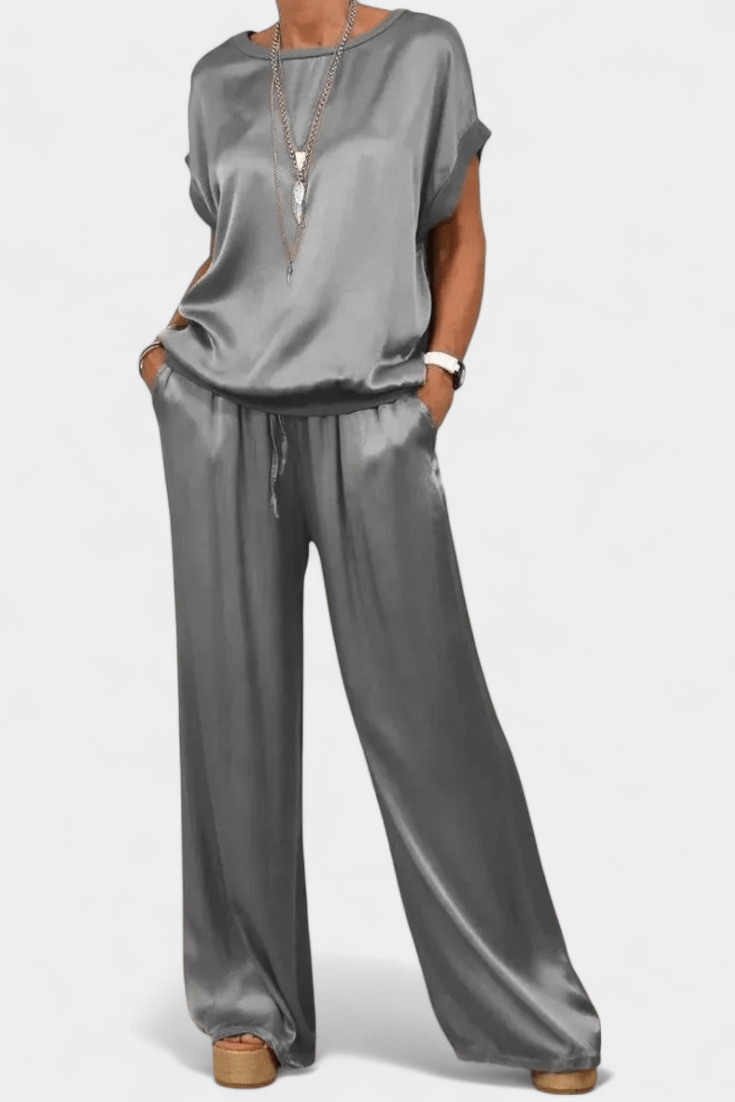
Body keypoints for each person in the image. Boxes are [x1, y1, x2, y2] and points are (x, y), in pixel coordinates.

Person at [139, 3, 602, 1093]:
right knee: (232, 710)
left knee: (430, 711)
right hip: (221, 415)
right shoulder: (214, 80)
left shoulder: (424, 54)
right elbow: (237, 250)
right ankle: (246, 999)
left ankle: (531, 1005)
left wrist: (437, 381)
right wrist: (168, 366)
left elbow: (458, 233)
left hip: (375, 415)